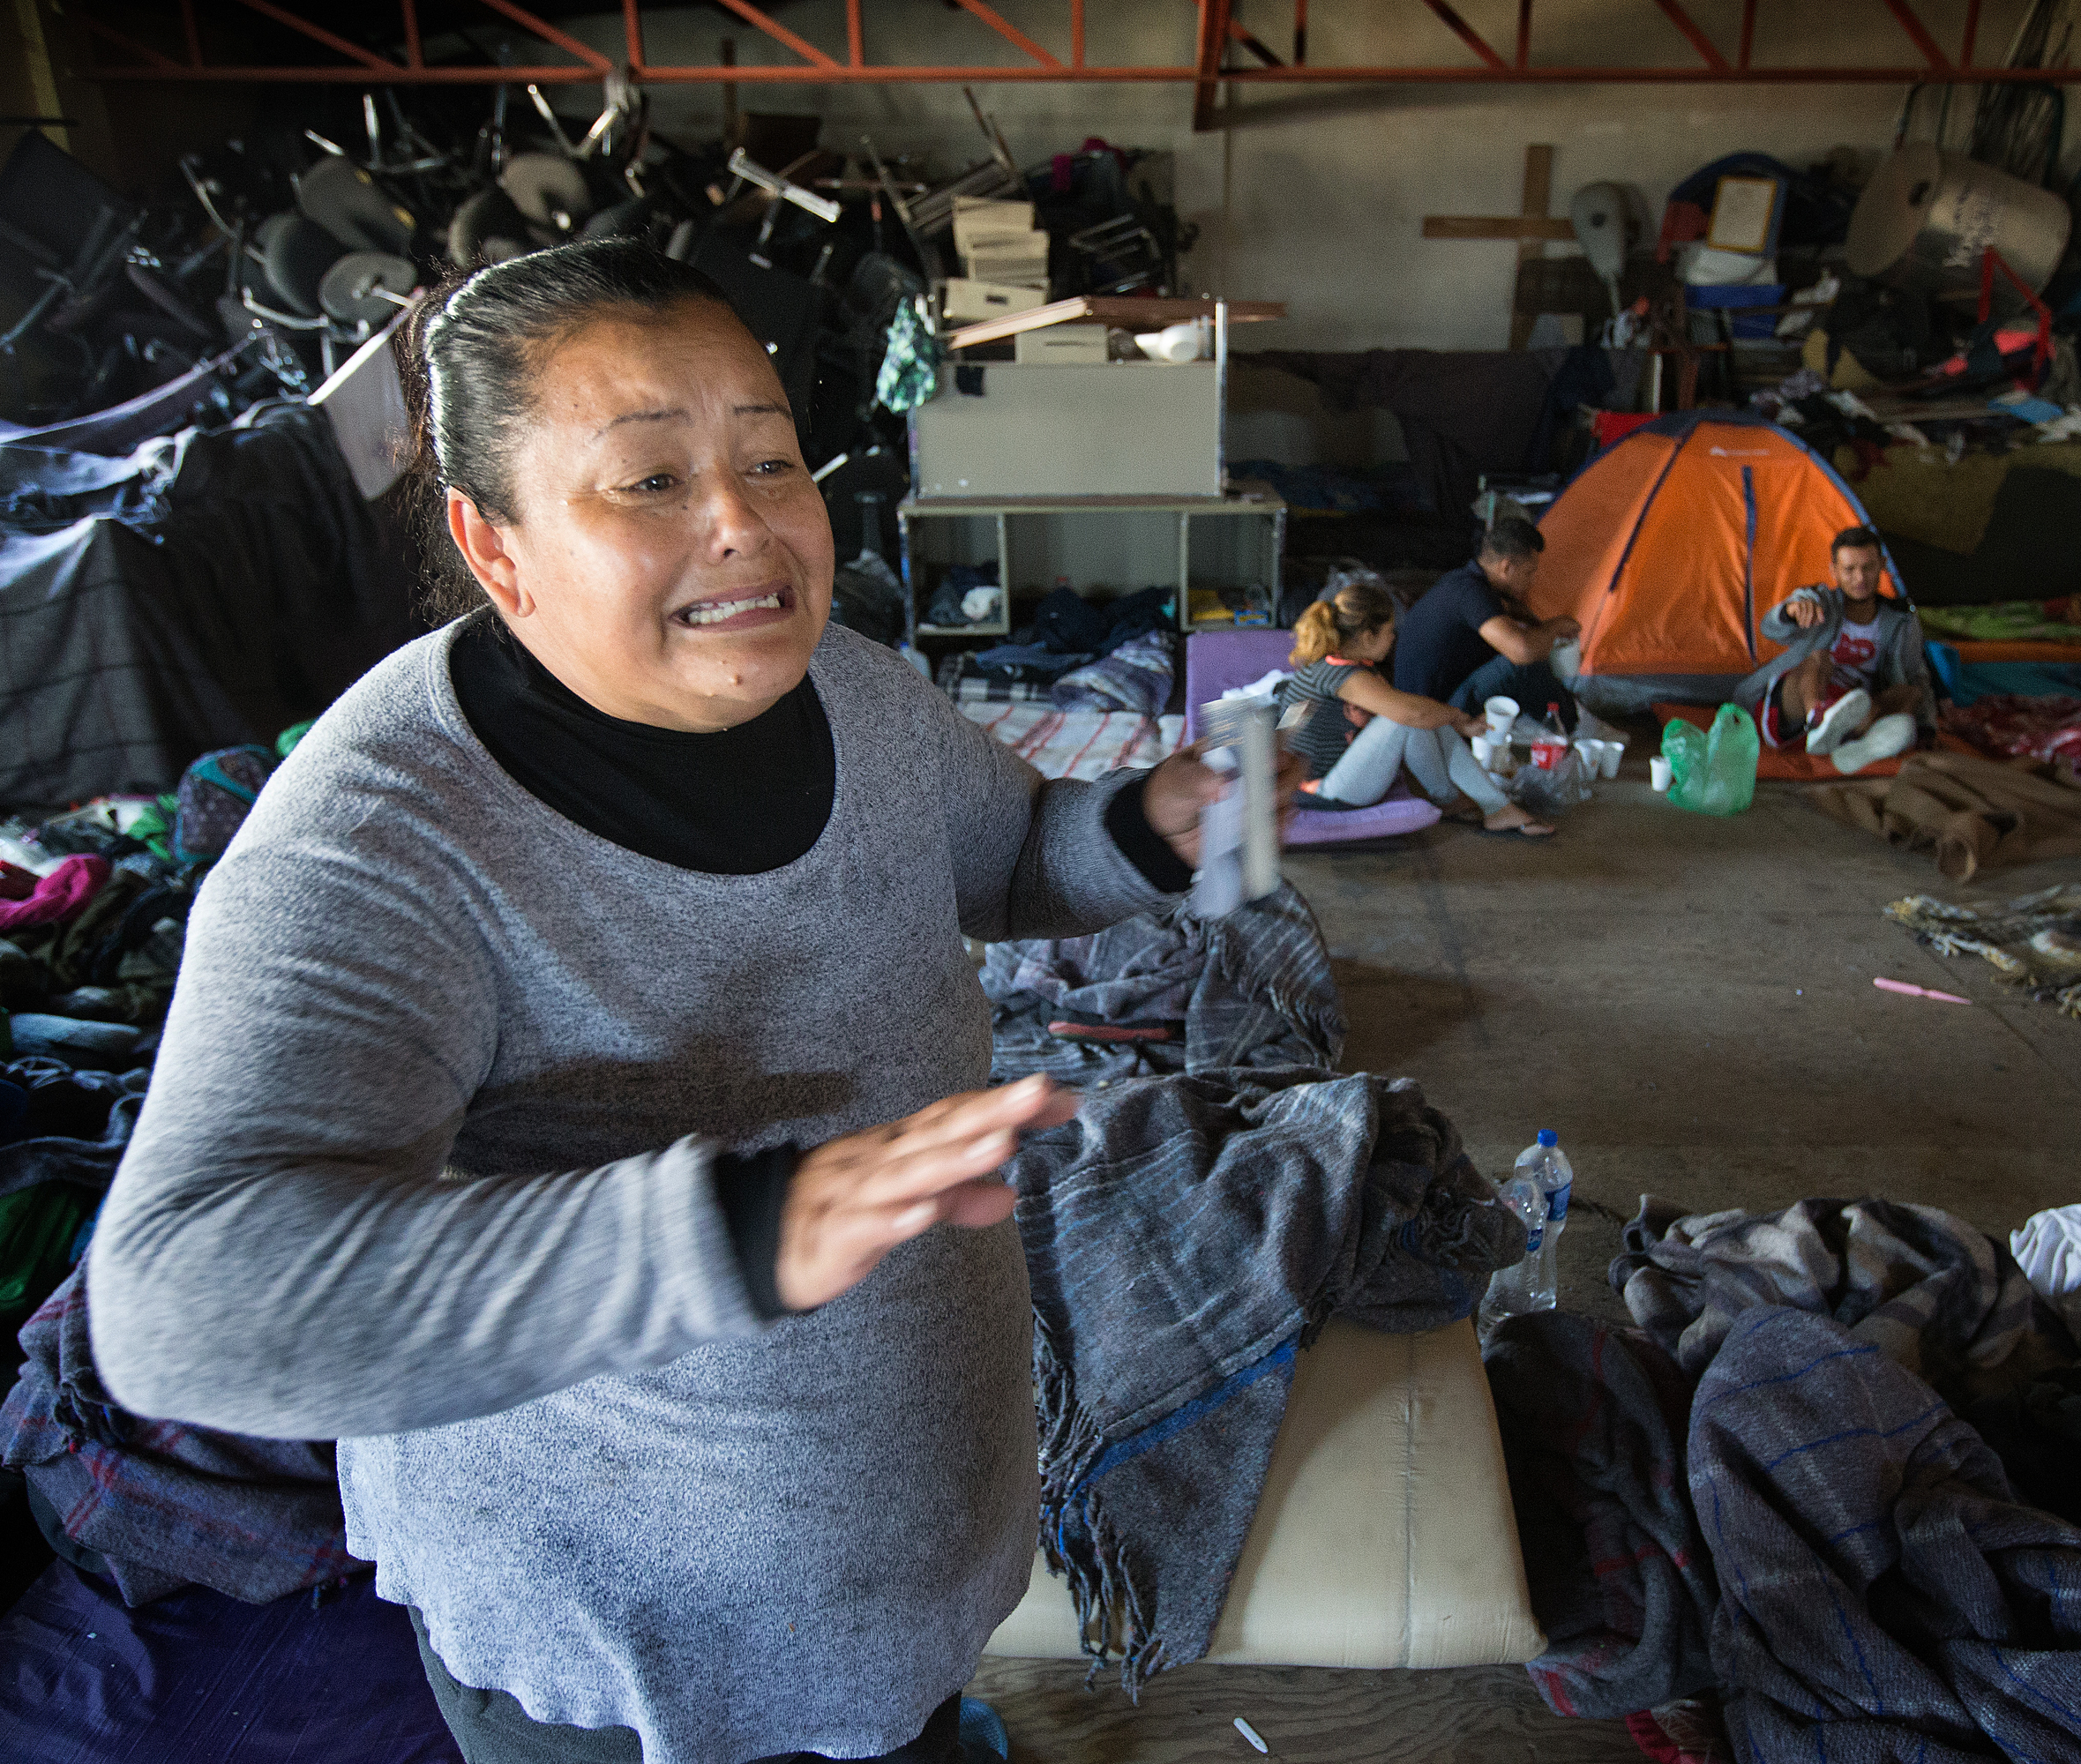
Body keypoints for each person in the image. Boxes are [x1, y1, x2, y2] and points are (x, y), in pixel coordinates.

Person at [84, 240, 1291, 1764]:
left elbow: (1005, 863)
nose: (746, 525)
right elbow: (185, 1300)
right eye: (650, 480)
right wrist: (728, 1229)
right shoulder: (382, 835)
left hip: (912, 1566)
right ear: (496, 543)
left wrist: (1143, 829)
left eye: (772, 458)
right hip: (635, 1670)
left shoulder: (852, 688)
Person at [1279, 579, 1554, 839]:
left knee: (1424, 715)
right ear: (1366, 636)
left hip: (1333, 773)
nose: (1392, 639)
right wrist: (1460, 719)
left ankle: (1495, 807)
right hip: (1323, 791)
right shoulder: (1341, 676)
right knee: (1407, 718)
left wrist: (1454, 720)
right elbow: (1412, 713)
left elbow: (1418, 711)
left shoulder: (1337, 665)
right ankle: (1453, 799)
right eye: (1389, 632)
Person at [1739, 524, 1937, 774]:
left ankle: (1856, 746)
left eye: (1868, 567)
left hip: (1854, 709)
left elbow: (1917, 674)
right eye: (1850, 569)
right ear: (1834, 571)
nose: (1860, 578)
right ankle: (1819, 719)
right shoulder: (1820, 601)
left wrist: (1927, 726)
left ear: (1882, 566)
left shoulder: (1900, 621)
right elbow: (1770, 628)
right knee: (1819, 657)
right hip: (1798, 708)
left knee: (1909, 693)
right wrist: (1791, 611)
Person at [1390, 515, 1579, 724]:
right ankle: (1571, 727)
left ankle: (1566, 713)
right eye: (1529, 573)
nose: (1533, 581)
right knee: (1521, 663)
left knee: (1527, 645)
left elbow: (1514, 616)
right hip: (1433, 716)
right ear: (1506, 567)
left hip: (1435, 702)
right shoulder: (1471, 593)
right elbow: (1522, 652)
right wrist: (1554, 627)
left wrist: (1540, 627)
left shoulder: (1463, 580)